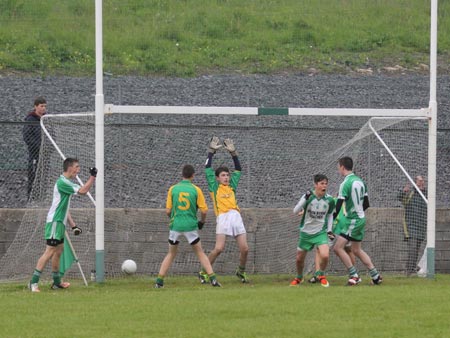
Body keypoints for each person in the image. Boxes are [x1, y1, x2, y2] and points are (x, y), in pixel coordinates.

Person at [29, 158, 97, 292]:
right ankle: (33, 283)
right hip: (55, 222)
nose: (78, 170)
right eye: (77, 167)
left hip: (60, 222)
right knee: (49, 251)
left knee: (58, 251)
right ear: (70, 168)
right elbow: (83, 192)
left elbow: (66, 207)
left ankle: (56, 283)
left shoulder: (66, 183)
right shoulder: (62, 182)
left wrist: (73, 226)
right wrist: (92, 177)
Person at [155, 164, 221, 288]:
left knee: (171, 254)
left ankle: (159, 281)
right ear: (193, 175)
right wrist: (201, 222)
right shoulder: (196, 190)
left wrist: (176, 218)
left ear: (182, 175)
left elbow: (168, 211)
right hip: (191, 227)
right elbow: (204, 211)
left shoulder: (173, 189)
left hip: (175, 226)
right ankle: (213, 279)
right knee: (200, 253)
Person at [198, 137, 250, 284]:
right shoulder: (214, 188)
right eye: (223, 175)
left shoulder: (232, 186)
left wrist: (233, 153)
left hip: (236, 217)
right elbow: (207, 169)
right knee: (219, 248)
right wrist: (211, 152)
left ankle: (240, 271)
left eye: (227, 175)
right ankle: (204, 272)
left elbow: (238, 169)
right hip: (223, 217)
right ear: (217, 178)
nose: (226, 177)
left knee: (245, 249)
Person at [333, 156, 383, 286]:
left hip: (353, 220)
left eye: (338, 167)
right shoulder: (361, 181)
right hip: (361, 218)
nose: (338, 169)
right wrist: (358, 212)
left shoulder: (345, 183)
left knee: (338, 248)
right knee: (356, 250)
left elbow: (338, 206)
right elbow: (366, 204)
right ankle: (376, 276)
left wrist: (331, 221)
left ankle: (354, 275)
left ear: (342, 167)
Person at [290, 174, 335, 288]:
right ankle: (299, 277)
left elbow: (330, 215)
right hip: (306, 233)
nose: (324, 186)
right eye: (321, 183)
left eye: (326, 183)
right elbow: (295, 211)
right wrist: (305, 197)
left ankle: (320, 274)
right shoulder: (308, 196)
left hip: (320, 232)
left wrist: (329, 230)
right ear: (315, 185)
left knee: (325, 255)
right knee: (299, 259)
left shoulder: (329, 199)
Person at [398, 175, 427, 275]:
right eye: (418, 180)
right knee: (412, 249)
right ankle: (409, 271)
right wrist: (404, 191)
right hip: (411, 227)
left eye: (422, 180)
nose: (421, 182)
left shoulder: (426, 195)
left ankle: (412, 269)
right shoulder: (411, 193)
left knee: (417, 249)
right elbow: (400, 198)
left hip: (422, 226)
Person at [23, 96, 47, 198]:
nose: (43, 108)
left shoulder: (46, 119)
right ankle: (31, 196)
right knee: (33, 173)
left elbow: (51, 134)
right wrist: (38, 147)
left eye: (45, 106)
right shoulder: (30, 119)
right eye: (41, 106)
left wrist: (47, 149)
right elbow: (27, 136)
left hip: (45, 153)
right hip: (34, 153)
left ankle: (41, 195)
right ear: (36, 106)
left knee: (43, 174)